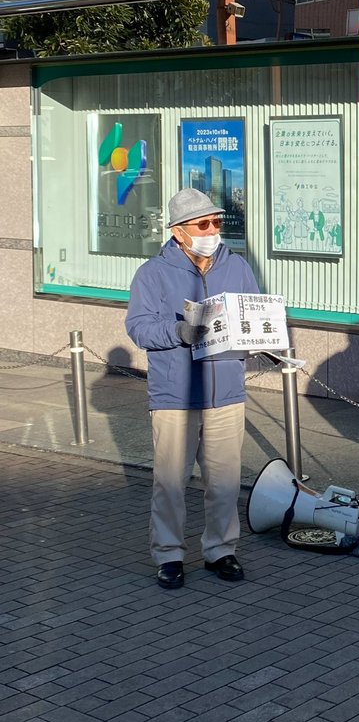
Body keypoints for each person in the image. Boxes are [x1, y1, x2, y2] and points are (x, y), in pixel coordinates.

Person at [126, 188, 260, 590]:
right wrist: (177, 331)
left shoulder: (237, 266)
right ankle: (169, 555)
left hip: (226, 391)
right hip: (176, 395)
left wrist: (262, 339)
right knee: (170, 483)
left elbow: (254, 313)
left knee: (224, 482)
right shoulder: (152, 273)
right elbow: (138, 327)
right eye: (203, 224)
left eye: (217, 222)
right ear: (179, 231)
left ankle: (221, 549)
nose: (213, 230)